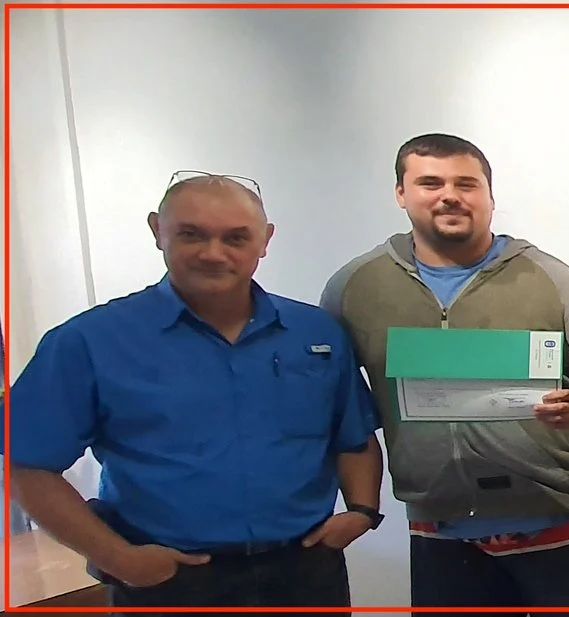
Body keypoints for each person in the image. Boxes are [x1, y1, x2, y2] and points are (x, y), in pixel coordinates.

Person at [7, 172, 383, 614]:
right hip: (170, 580)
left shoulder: (315, 333)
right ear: (157, 230)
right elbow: (27, 465)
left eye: (235, 237)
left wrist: (362, 510)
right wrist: (119, 559)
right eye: (192, 235)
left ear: (265, 240)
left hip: (305, 572)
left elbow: (353, 436)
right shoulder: (87, 342)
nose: (213, 253)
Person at [321, 134, 569, 614]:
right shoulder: (356, 286)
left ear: (490, 195)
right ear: (401, 193)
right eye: (430, 183)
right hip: (441, 530)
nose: (450, 195)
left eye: (466, 184)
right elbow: (332, 395)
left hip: (561, 520)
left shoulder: (550, 278)